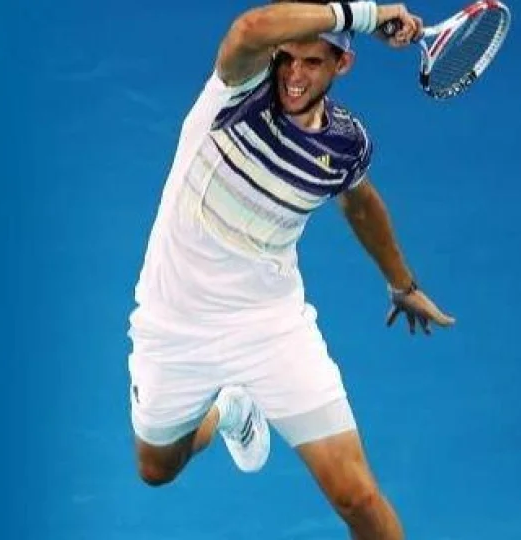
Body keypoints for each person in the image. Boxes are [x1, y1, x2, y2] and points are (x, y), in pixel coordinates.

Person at [126, 1, 454, 538]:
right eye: (288, 58)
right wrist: (365, 15)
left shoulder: (346, 143)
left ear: (342, 65)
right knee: (156, 468)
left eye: (313, 62)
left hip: (269, 324)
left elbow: (360, 204)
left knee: (356, 496)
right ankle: (232, 411)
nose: (294, 75)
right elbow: (250, 28)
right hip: (175, 320)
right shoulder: (237, 92)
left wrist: (403, 284)